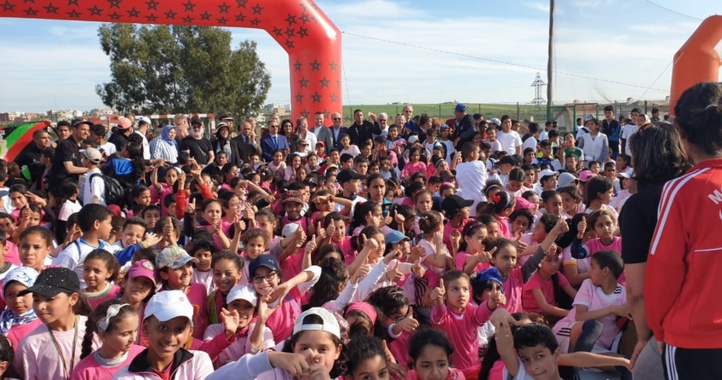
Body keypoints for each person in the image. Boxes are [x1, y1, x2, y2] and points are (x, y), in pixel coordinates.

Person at [645, 82, 722, 379]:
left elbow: (663, 270)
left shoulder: (682, 189)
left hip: (694, 338)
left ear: (682, 135)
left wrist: (660, 329)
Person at [619, 123, 688, 380]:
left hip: (673, 324)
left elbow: (637, 290)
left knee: (643, 371)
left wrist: (644, 337)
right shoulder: (702, 190)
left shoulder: (638, 207)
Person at [112, 291, 214, 379]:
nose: (170, 338)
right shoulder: (125, 376)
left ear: (190, 332)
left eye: (179, 329)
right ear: (146, 328)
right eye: (163, 328)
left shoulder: (198, 361)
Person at [14, 267, 93, 380]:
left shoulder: (96, 330)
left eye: (49, 299)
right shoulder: (30, 344)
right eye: (36, 300)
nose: (40, 307)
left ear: (73, 299)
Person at [75, 301, 144, 379]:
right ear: (103, 335)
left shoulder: (144, 356)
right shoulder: (84, 371)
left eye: (135, 330)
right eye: (125, 334)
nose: (133, 338)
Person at [48, 118, 92, 185]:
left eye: (88, 130)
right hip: (61, 186)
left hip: (74, 185)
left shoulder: (82, 146)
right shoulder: (65, 144)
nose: (86, 132)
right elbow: (70, 169)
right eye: (83, 129)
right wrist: (91, 169)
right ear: (74, 130)